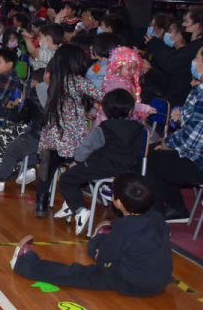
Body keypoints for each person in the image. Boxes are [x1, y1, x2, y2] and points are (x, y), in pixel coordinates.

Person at [11, 172, 173, 297]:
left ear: (119, 203)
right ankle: (99, 240)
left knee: (76, 273)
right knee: (103, 241)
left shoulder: (123, 230)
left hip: (130, 283)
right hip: (160, 281)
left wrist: (100, 255)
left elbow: (105, 263)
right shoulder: (157, 217)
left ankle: (24, 263)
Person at [145, 42, 203, 221]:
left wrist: (169, 143)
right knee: (156, 152)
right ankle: (176, 209)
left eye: (197, 57)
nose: (193, 61)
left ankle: (154, 219)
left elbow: (193, 139)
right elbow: (194, 126)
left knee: (150, 158)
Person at [53, 89, 147, 234]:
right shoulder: (140, 129)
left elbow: (84, 151)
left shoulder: (103, 129)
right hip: (126, 170)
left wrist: (77, 161)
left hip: (101, 167)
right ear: (130, 110)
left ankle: (79, 210)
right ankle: (70, 204)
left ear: (106, 111)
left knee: (67, 178)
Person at [35, 44, 105, 217]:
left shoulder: (54, 81)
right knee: (74, 167)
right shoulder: (78, 81)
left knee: (47, 169)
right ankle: (71, 202)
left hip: (52, 135)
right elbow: (102, 96)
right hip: (71, 137)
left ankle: (41, 204)